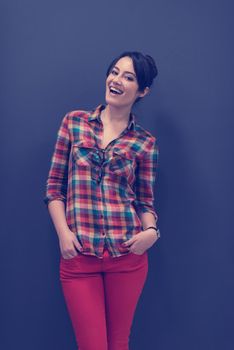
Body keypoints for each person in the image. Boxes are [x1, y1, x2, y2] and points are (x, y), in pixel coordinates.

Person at [43, 51, 161, 350]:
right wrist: (64, 234)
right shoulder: (74, 123)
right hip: (79, 255)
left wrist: (151, 233)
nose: (117, 80)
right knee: (92, 345)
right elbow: (54, 187)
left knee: (119, 343)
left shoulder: (145, 143)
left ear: (143, 91)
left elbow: (145, 202)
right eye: (114, 72)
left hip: (128, 256)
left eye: (129, 77)